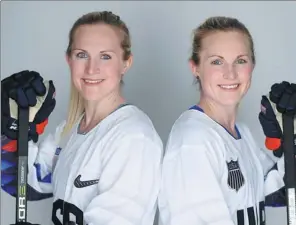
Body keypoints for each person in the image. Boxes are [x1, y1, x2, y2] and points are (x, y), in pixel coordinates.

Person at [1, 11, 163, 225]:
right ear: (69, 59)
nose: (91, 68)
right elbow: (23, 183)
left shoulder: (134, 138)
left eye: (105, 56)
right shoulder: (70, 130)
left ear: (126, 63)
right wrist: (15, 129)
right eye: (82, 55)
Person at [157, 16, 296, 225]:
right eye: (216, 61)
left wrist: (290, 139)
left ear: (252, 65)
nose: (230, 73)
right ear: (195, 67)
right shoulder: (193, 141)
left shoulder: (241, 133)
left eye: (240, 61)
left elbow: (282, 192)